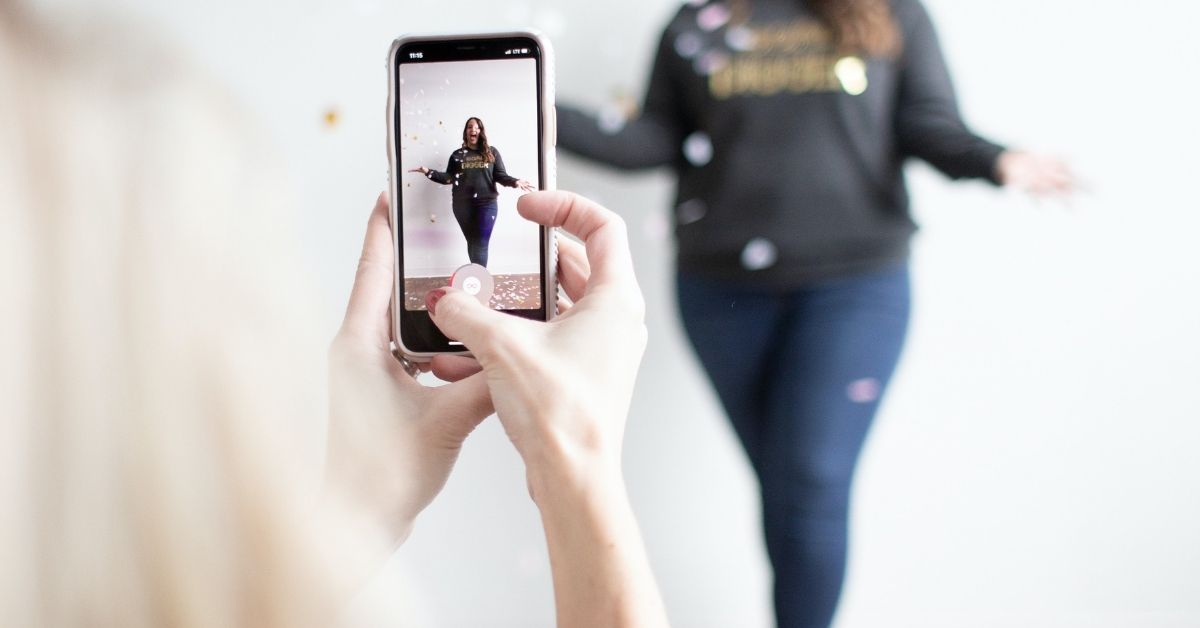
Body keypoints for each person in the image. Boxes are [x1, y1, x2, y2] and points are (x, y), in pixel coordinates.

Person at [0, 4, 669, 627]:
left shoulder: (487, 152)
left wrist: (364, 498)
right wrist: (576, 457)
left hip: (485, 208)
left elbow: (502, 178)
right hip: (462, 204)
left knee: (479, 247)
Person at [555, 0, 1074, 626]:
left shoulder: (892, 14)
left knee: (810, 481)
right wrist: (529, 106)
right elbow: (650, 139)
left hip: (855, 285)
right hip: (721, 294)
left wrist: (996, 160)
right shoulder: (695, 21)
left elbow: (928, 125)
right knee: (790, 491)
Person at [408, 117, 535, 267]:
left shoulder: (491, 152)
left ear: (481, 131)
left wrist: (515, 181)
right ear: (466, 132)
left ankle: (480, 278)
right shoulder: (457, 155)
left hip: (487, 203)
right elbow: (448, 178)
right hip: (462, 205)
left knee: (481, 241)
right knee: (473, 242)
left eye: (476, 127)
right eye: (469, 127)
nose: (473, 130)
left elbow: (500, 176)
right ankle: (476, 279)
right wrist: (428, 172)